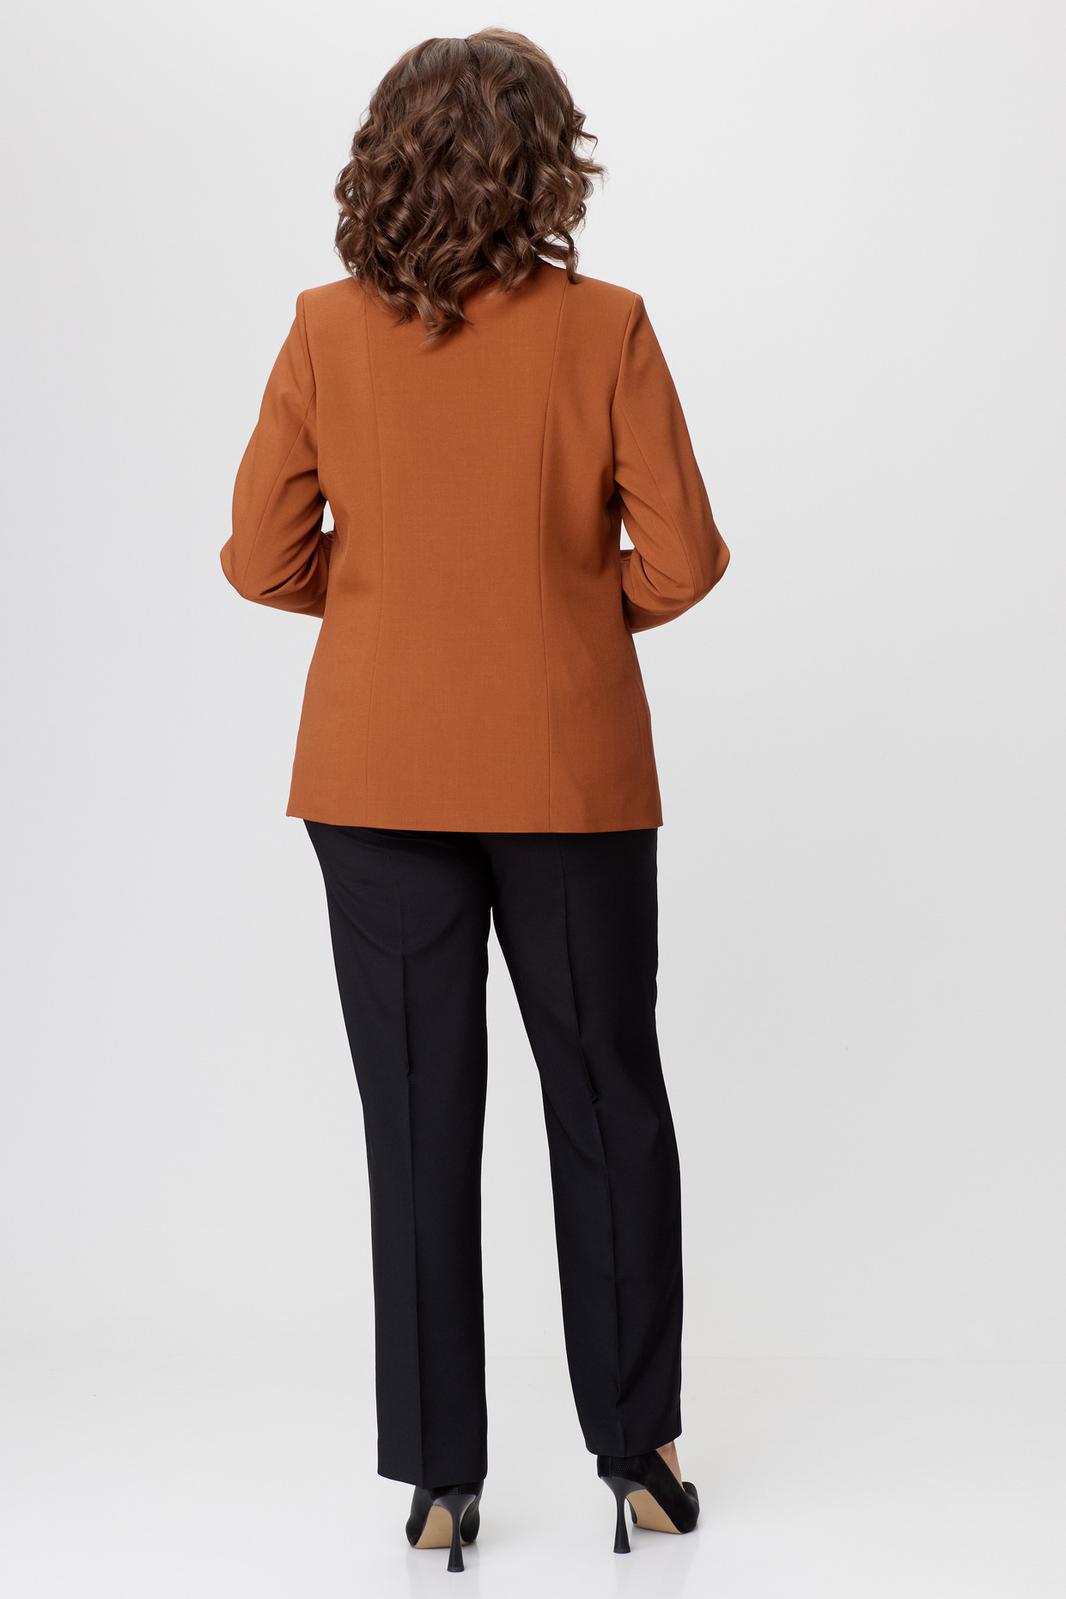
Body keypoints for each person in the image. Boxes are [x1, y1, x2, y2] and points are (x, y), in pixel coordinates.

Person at [220, 28, 729, 1571]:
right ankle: (638, 1458)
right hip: (566, 772)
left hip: (373, 772)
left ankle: (441, 1483)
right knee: (606, 1103)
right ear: (548, 164)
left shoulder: (324, 329)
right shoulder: (607, 327)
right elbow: (683, 559)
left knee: (416, 1118)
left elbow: (260, 557)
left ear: (385, 157)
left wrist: (396, 599)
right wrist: (560, 613)